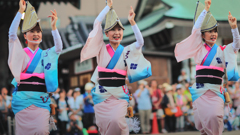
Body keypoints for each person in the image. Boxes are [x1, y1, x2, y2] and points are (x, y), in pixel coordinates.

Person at [80, 0, 151, 134]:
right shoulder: (100, 48)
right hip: (102, 95)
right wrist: (107, 8)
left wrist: (132, 22)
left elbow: (140, 42)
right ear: (106, 34)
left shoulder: (127, 51)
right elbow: (97, 23)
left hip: (119, 94)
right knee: (104, 125)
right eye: (113, 29)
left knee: (116, 121)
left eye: (119, 29)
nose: (116, 32)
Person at [174, 0, 240, 134]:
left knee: (215, 116)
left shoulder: (222, 50)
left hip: (216, 92)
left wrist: (234, 28)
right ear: (202, 35)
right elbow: (195, 30)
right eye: (209, 31)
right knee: (203, 124)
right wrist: (205, 10)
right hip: (200, 92)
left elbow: (236, 45)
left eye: (215, 31)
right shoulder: (198, 49)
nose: (213, 34)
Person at [8, 0, 62, 134]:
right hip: (22, 101)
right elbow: (12, 35)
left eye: (38, 31)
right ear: (25, 35)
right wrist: (20, 12)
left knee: (42, 131)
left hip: (41, 100)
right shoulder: (20, 53)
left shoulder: (46, 54)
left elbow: (59, 48)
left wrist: (54, 28)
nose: (36, 33)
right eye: (32, 31)